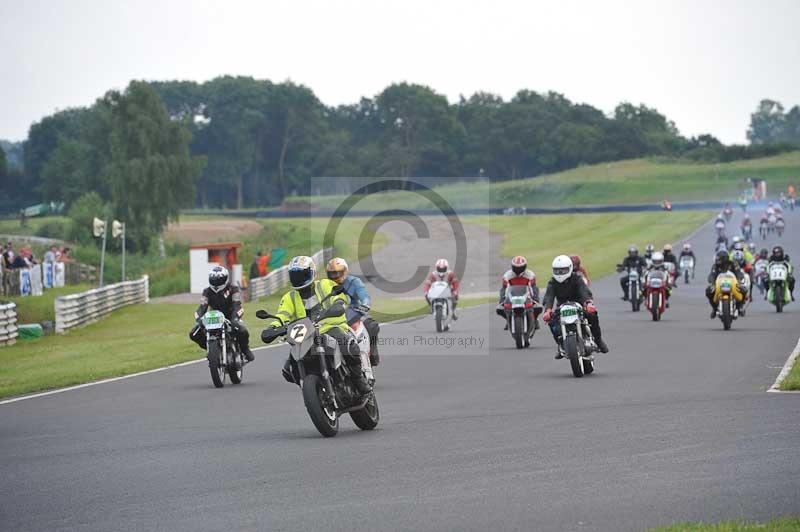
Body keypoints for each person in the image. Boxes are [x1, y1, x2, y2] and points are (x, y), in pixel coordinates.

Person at [266, 255, 371, 395]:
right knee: (289, 369)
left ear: (312, 273)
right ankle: (313, 390)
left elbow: (341, 297)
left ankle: (359, 380)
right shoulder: (289, 297)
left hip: (331, 327)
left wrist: (339, 303)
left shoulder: (326, 285)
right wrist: (272, 327)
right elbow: (282, 315)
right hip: (306, 334)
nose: (299, 278)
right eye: (295, 275)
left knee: (346, 344)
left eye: (303, 274)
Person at [542, 255, 609, 358]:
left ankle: (599, 341)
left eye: (563, 270)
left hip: (579, 304)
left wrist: (588, 303)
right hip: (562, 307)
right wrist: (548, 310)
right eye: (557, 271)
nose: (560, 273)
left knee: (592, 315)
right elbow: (549, 296)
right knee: (552, 322)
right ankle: (561, 345)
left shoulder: (576, 278)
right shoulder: (553, 282)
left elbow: (584, 291)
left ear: (569, 268)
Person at [189, 265, 255, 362]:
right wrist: (199, 319)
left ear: (225, 279)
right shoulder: (207, 291)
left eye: (219, 279)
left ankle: (245, 349)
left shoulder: (233, 289)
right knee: (194, 334)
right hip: (214, 317)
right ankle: (212, 350)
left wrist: (235, 318)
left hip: (231, 315)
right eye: (213, 279)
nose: (216, 282)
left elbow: (237, 304)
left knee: (242, 330)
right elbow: (202, 307)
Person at [326, 257, 381, 366]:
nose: (335, 276)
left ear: (345, 271)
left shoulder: (354, 282)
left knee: (372, 325)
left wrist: (365, 305)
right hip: (334, 316)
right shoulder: (325, 285)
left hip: (355, 312)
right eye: (332, 274)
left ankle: (373, 352)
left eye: (338, 273)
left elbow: (364, 296)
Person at [497, 255, 541, 330]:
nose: (518, 270)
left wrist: (535, 298)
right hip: (512, 297)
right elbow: (504, 289)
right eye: (516, 268)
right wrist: (502, 300)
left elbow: (534, 288)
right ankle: (508, 320)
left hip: (526, 296)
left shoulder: (530, 275)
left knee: (538, 308)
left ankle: (535, 319)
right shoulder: (507, 276)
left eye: (520, 268)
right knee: (499, 309)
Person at [706, 250, 748, 318]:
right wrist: (712, 282)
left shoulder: (733, 264)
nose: (716, 260)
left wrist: (739, 281)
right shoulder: (715, 266)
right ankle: (714, 309)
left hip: (733, 284)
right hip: (719, 284)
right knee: (708, 291)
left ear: (724, 259)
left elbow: (738, 273)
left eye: (718, 258)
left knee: (744, 290)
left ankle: (740, 307)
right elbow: (712, 275)